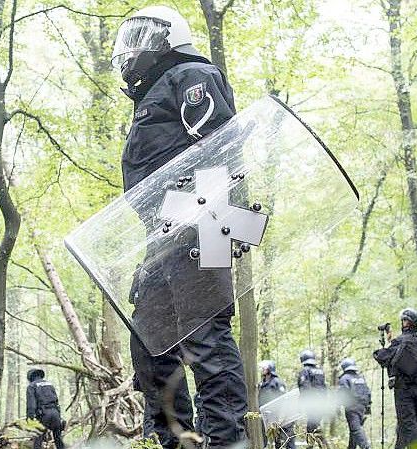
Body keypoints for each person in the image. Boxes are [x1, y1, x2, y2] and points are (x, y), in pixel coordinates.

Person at [113, 6, 248, 449]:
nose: (131, 47)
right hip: (164, 232)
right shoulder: (152, 95)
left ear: (167, 38)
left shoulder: (191, 74)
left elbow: (222, 145)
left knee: (205, 337)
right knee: (149, 339)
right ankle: (174, 438)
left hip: (201, 221)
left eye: (141, 36)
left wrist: (225, 219)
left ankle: (225, 441)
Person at [372, 308, 417, 449]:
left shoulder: (401, 341)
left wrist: (380, 350)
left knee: (408, 423)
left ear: (406, 322)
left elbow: (383, 356)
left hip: (404, 390)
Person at [258, 360, 294, 449]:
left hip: (279, 418)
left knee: (281, 442)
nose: (262, 369)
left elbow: (284, 400)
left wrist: (281, 417)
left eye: (264, 367)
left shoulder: (277, 382)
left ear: (269, 369)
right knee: (268, 441)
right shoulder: (263, 383)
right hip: (267, 417)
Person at [26, 369, 65, 449]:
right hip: (55, 414)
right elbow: (56, 401)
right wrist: (59, 417)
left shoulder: (32, 386)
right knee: (58, 439)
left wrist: (29, 419)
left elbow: (31, 404)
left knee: (38, 440)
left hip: (43, 415)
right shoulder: (50, 385)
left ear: (30, 378)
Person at [338, 358, 371, 449]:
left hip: (352, 407)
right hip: (362, 407)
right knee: (354, 429)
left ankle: (366, 447)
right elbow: (368, 392)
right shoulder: (361, 378)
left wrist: (337, 407)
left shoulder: (344, 378)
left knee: (356, 429)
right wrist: (368, 408)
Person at [297, 349, 327, 445]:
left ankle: (315, 446)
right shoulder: (320, 371)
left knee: (312, 428)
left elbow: (305, 388)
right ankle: (312, 446)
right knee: (314, 427)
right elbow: (324, 387)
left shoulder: (305, 371)